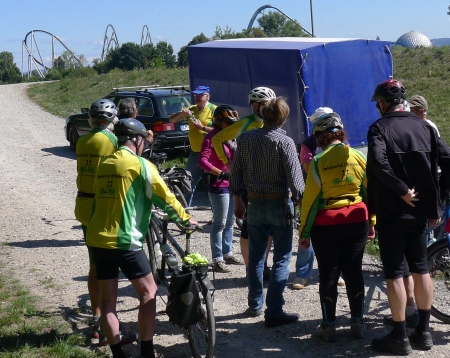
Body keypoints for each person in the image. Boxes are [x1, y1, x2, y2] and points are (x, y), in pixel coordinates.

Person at [86, 118, 197, 358]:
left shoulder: (105, 164)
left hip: (98, 238)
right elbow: (165, 196)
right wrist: (185, 219)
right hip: (124, 240)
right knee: (149, 291)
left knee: (109, 300)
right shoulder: (141, 165)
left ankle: (118, 354)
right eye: (143, 142)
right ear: (136, 140)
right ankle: (146, 351)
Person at [368, 79, 450, 355]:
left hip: (393, 211)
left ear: (382, 103)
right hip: (420, 213)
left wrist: (401, 190)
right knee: (421, 268)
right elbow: (448, 162)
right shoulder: (425, 127)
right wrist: (437, 202)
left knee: (393, 274)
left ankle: (399, 336)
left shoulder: (379, 128)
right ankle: (424, 332)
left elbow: (378, 163)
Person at [298, 110, 375, 342]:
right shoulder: (359, 156)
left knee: (329, 274)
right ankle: (358, 323)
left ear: (320, 136)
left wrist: (304, 232)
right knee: (354, 271)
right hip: (357, 219)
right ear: (340, 134)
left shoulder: (318, 161)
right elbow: (370, 192)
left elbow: (310, 201)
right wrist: (372, 222)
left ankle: (329, 326)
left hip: (327, 222)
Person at [230, 97, 304, 327]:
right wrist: (302, 204)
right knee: (282, 257)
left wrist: (237, 202)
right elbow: (296, 182)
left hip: (253, 203)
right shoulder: (285, 142)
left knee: (256, 256)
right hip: (279, 204)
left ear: (263, 115)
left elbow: (236, 175)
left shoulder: (246, 139)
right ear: (283, 117)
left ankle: (254, 305)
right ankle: (274, 310)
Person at [212, 87, 276, 279]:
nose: (269, 108)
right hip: (249, 181)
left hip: (270, 181)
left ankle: (263, 264)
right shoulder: (245, 123)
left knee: (269, 228)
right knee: (249, 226)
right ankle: (251, 269)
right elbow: (217, 139)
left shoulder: (273, 123)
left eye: (271, 104)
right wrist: (229, 165)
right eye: (265, 104)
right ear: (255, 106)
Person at [74, 99, 118, 339]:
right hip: (103, 206)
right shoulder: (112, 140)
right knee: (109, 264)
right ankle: (108, 320)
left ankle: (96, 314)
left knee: (94, 264)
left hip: (83, 206)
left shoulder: (82, 141)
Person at [294, 107, 345, 291]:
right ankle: (302, 274)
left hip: (334, 193)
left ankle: (337, 272)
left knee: (336, 237)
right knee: (306, 231)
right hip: (313, 193)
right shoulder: (308, 143)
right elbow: (307, 167)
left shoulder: (341, 141)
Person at [199, 105, 244, 273]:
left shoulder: (230, 138)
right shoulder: (211, 138)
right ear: (219, 122)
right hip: (218, 185)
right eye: (228, 123)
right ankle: (217, 259)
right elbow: (202, 162)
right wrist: (222, 173)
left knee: (231, 222)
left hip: (232, 185)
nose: (232, 126)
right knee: (220, 223)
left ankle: (228, 253)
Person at [169, 85, 216, 206]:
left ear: (208, 96)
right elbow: (172, 120)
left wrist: (203, 128)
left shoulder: (214, 110)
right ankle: (184, 213)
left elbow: (221, 131)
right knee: (186, 183)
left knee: (213, 184)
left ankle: (216, 215)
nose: (197, 97)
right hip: (195, 153)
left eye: (200, 95)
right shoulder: (192, 109)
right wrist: (181, 113)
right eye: (195, 95)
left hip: (211, 154)